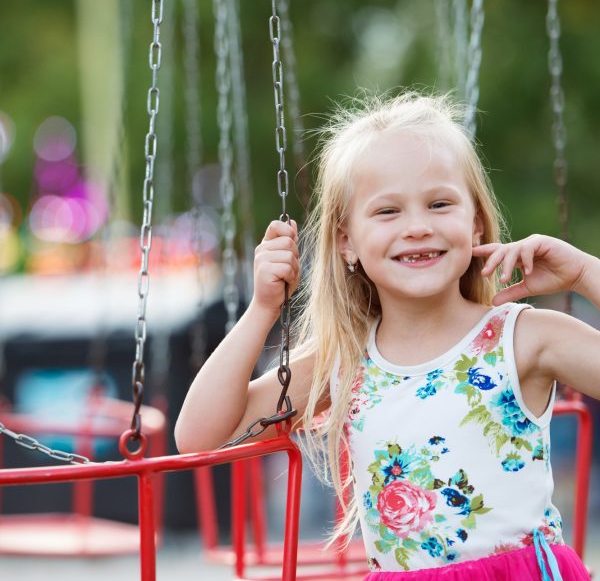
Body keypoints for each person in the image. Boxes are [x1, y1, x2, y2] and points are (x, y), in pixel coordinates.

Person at [175, 91, 597, 579]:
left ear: (475, 224)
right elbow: (199, 435)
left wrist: (585, 272)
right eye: (387, 212)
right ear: (346, 242)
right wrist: (262, 309)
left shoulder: (525, 337)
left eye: (439, 204)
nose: (417, 227)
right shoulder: (346, 362)